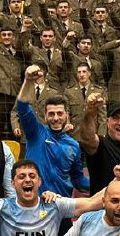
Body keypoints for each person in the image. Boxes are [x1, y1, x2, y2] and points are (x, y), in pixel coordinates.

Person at [14, 65, 88, 198]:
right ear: (45, 116)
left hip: (61, 205)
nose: (56, 118)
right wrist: (28, 80)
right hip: (35, 204)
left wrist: (107, 184)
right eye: (51, 114)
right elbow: (23, 107)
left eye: (60, 113)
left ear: (66, 115)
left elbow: (78, 180)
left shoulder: (74, 146)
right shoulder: (36, 133)